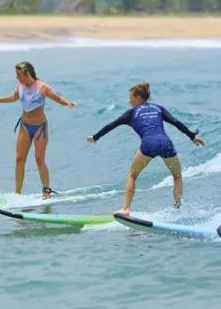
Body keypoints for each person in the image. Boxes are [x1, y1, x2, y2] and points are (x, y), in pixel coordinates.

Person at [87, 82, 205, 215]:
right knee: (177, 176)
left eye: (130, 97)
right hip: (166, 143)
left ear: (137, 98)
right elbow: (176, 122)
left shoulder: (131, 113)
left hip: (149, 144)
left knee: (132, 175)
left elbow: (111, 125)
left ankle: (126, 209)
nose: (129, 100)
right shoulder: (158, 108)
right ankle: (178, 208)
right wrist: (192, 137)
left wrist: (95, 137)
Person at [0, 61, 78, 199]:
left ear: (27, 73)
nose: (17, 77)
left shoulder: (42, 87)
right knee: (19, 158)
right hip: (24, 126)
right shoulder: (20, 86)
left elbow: (56, 97)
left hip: (40, 127)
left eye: (18, 74)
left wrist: (68, 103)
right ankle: (17, 193)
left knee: (39, 159)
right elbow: (13, 97)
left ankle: (46, 191)